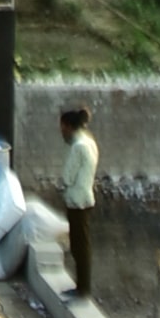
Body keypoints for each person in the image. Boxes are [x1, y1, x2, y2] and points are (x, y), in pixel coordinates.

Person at [59, 105, 98, 300]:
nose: (62, 133)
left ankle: (83, 288)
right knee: (83, 244)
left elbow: (67, 176)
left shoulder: (78, 147)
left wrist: (61, 184)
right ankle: (83, 286)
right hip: (87, 197)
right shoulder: (89, 142)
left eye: (63, 128)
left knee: (79, 246)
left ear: (68, 126)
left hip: (76, 201)